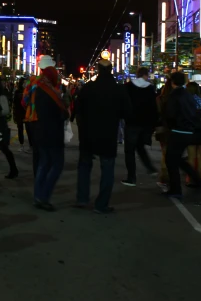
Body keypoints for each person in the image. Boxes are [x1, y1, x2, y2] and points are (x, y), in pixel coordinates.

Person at [75, 58, 131, 214]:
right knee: (107, 169)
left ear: (98, 70)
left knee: (84, 166)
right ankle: (101, 204)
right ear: (111, 70)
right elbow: (127, 112)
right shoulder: (118, 89)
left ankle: (82, 198)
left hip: (87, 133)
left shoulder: (88, 88)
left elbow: (78, 110)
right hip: (108, 134)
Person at [31, 56, 69, 211]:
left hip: (39, 132)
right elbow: (62, 114)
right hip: (53, 134)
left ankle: (37, 195)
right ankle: (44, 196)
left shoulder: (37, 87)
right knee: (57, 165)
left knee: (43, 164)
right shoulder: (53, 94)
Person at [163, 71, 201, 199]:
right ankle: (196, 179)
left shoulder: (173, 95)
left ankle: (176, 189)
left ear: (172, 82)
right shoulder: (188, 95)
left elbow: (170, 114)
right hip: (189, 130)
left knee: (171, 160)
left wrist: (169, 126)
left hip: (177, 130)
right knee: (177, 159)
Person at [122, 67, 158, 186]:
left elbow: (124, 104)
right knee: (140, 147)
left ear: (137, 75)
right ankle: (150, 167)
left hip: (132, 123)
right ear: (146, 75)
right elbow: (154, 108)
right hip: (145, 123)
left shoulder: (128, 87)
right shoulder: (150, 88)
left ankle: (131, 177)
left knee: (129, 151)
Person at [13, 79, 28, 152]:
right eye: (24, 83)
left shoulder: (28, 91)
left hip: (26, 113)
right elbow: (15, 104)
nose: (25, 84)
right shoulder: (18, 92)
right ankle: (21, 145)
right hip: (20, 113)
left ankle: (30, 145)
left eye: (26, 83)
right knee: (20, 129)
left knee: (29, 129)